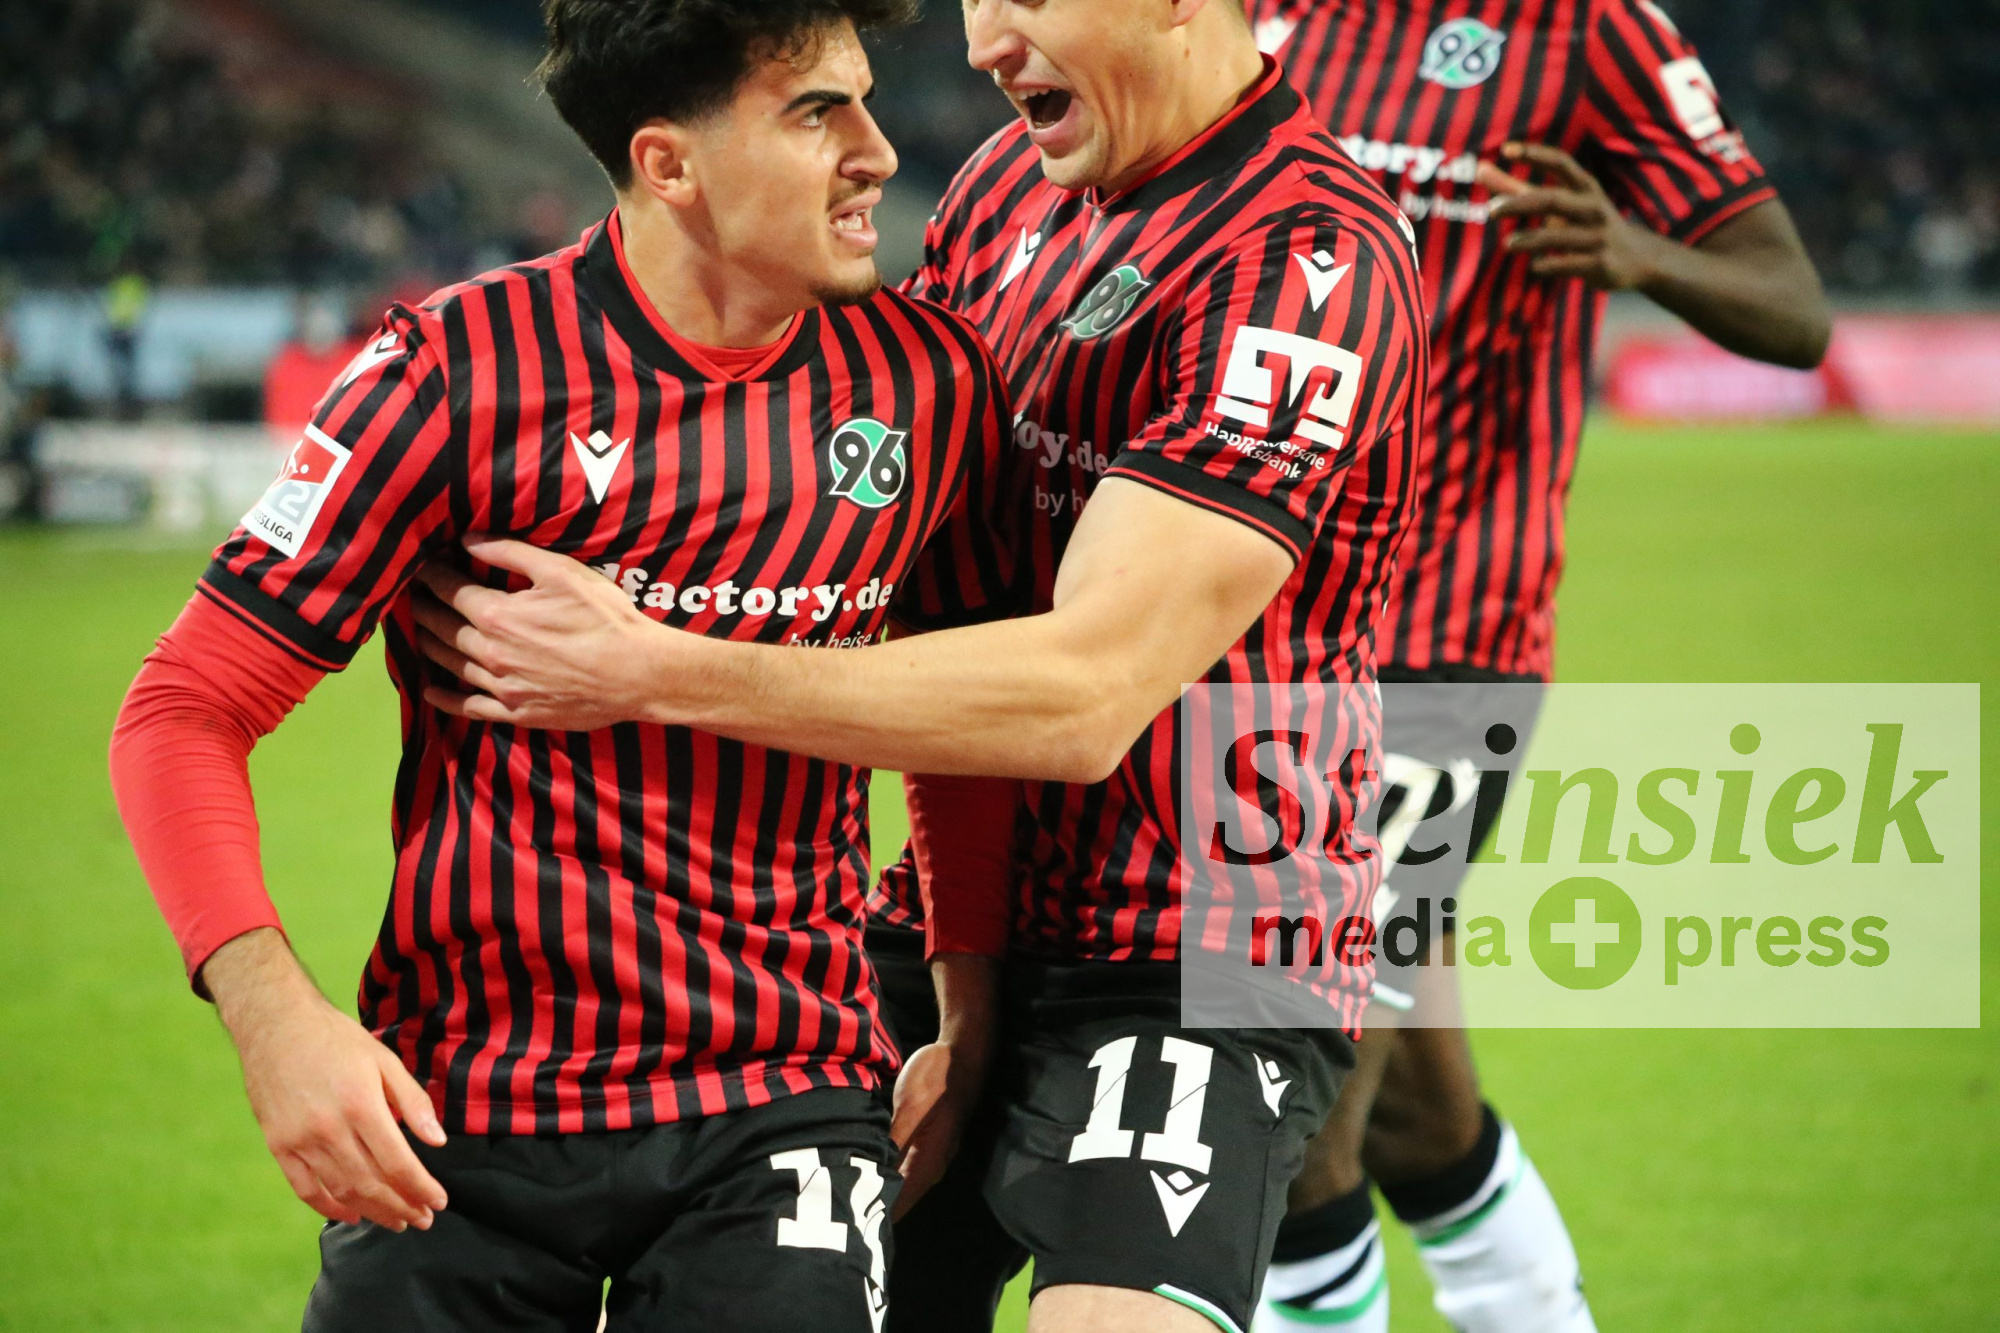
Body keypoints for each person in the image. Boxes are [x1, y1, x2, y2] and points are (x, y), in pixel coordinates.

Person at [408, 3, 1428, 1332]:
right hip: (951, 913)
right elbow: (902, 530)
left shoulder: (1309, 258)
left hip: (1203, 942)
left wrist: (648, 666)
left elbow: (1087, 695)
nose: (984, 40)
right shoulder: (1004, 190)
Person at [107, 2, 1026, 1329]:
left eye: (868, 104)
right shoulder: (456, 371)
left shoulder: (926, 384)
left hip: (786, 1095)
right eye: (818, 113)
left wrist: (966, 1013)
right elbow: (184, 708)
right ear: (668, 163)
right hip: (467, 1108)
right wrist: (277, 1023)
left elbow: (968, 711)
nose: (878, 151)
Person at [1238, 3, 1831, 1331]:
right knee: (1416, 1121)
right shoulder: (1248, 18)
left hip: (1442, 651)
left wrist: (1636, 250)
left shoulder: (1588, 31)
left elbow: (1795, 310)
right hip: (1256, 627)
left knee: (1288, 1108)